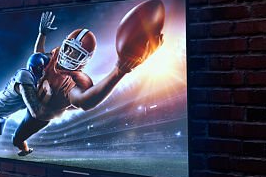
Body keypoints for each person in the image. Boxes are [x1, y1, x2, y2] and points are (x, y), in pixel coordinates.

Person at [10, 9, 160, 155]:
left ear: (85, 59)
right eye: (68, 48)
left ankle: (24, 148)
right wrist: (42, 34)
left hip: (42, 113)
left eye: (76, 53)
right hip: (35, 95)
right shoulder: (55, 55)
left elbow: (85, 100)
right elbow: (39, 55)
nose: (68, 54)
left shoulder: (75, 79)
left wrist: (118, 72)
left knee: (17, 139)